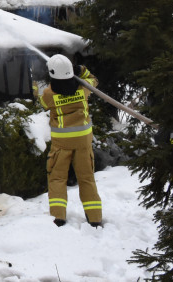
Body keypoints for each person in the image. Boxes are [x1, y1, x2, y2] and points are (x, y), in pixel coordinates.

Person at [33, 54, 103, 228]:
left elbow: (40, 98)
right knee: (87, 179)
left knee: (57, 178)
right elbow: (94, 79)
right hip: (83, 142)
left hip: (61, 144)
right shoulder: (84, 88)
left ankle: (58, 217)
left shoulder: (49, 94)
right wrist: (81, 70)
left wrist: (35, 81)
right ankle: (94, 218)